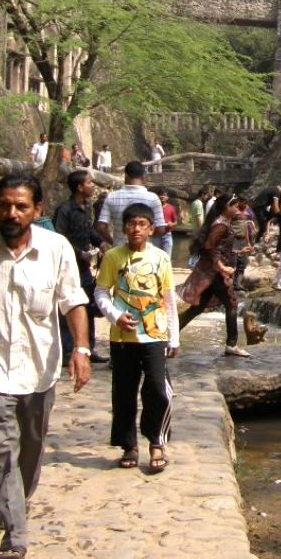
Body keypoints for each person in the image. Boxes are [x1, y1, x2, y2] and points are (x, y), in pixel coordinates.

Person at [0, 175, 91, 559]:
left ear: (37, 211)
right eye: (4, 205)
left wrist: (80, 348)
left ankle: (17, 499)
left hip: (38, 366)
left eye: (20, 206)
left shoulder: (55, 249)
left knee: (31, 444)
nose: (11, 213)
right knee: (1, 447)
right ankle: (15, 533)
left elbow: (73, 300)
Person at [94, 202, 178, 473]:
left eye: (142, 224)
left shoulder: (161, 259)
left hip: (154, 334)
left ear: (151, 229)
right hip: (122, 337)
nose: (136, 229)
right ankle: (128, 444)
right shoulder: (113, 257)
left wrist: (173, 337)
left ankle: (156, 441)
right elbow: (101, 292)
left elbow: (168, 299)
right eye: (131, 224)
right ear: (124, 228)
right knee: (124, 393)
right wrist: (114, 315)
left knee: (157, 388)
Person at [177, 196, 250, 356]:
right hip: (216, 273)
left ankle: (169, 334)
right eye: (235, 206)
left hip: (212, 272)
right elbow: (210, 246)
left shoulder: (221, 223)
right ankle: (231, 345)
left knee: (198, 308)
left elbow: (219, 247)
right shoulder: (221, 225)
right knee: (232, 304)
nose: (238, 209)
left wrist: (237, 252)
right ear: (226, 207)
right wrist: (221, 266)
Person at [54, 169, 109, 364]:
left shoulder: (87, 207)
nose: (93, 185)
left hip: (84, 269)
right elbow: (59, 238)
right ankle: (68, 351)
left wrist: (100, 243)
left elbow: (90, 231)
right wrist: (79, 253)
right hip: (68, 269)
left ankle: (88, 348)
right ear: (79, 187)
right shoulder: (65, 210)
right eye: (89, 183)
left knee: (88, 307)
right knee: (68, 307)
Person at [95, 161, 166, 248]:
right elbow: (161, 229)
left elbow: (100, 227)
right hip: (144, 251)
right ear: (144, 177)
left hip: (119, 250)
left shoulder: (112, 197)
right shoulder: (153, 198)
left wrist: (113, 242)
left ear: (125, 176)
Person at [152, 189, 177, 258]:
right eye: (161, 195)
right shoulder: (154, 207)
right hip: (156, 234)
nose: (162, 197)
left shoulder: (171, 208)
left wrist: (172, 224)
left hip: (167, 234)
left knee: (167, 256)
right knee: (155, 256)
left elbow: (175, 222)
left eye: (165, 195)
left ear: (167, 197)